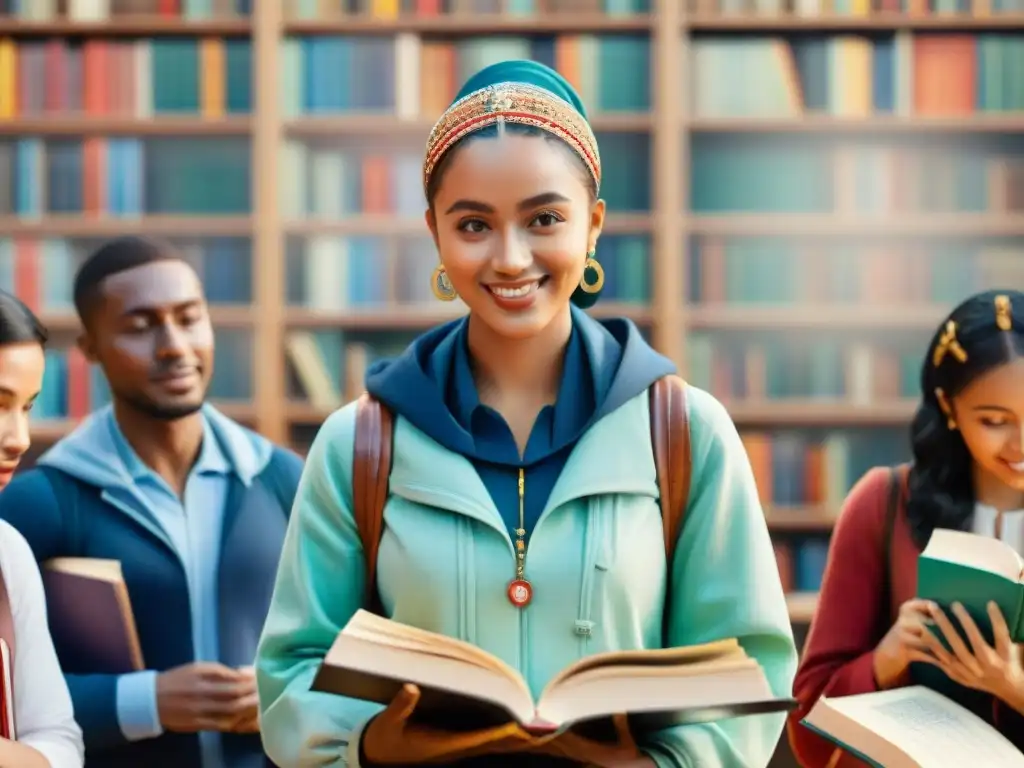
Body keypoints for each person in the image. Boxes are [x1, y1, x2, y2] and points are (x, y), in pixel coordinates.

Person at [255, 60, 797, 768]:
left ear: (594, 225)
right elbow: (292, 669)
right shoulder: (360, 441)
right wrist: (369, 743)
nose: (511, 259)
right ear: (435, 233)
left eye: (544, 219)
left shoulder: (686, 433)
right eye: (474, 224)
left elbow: (751, 662)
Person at [0, 237, 304, 768]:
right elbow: (18, 706)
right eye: (140, 327)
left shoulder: (285, 479)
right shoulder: (38, 501)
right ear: (90, 349)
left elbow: (353, 643)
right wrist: (148, 701)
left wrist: (289, 690)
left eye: (190, 318)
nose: (174, 346)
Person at [787, 289, 1024, 767]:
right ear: (948, 406)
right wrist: (884, 661)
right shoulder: (883, 502)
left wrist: (1011, 685)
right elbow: (806, 731)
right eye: (995, 421)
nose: (1021, 443)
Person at [0, 291, 84, 768]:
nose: (19, 439)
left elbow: (60, 742)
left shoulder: (7, 552)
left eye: (27, 407)